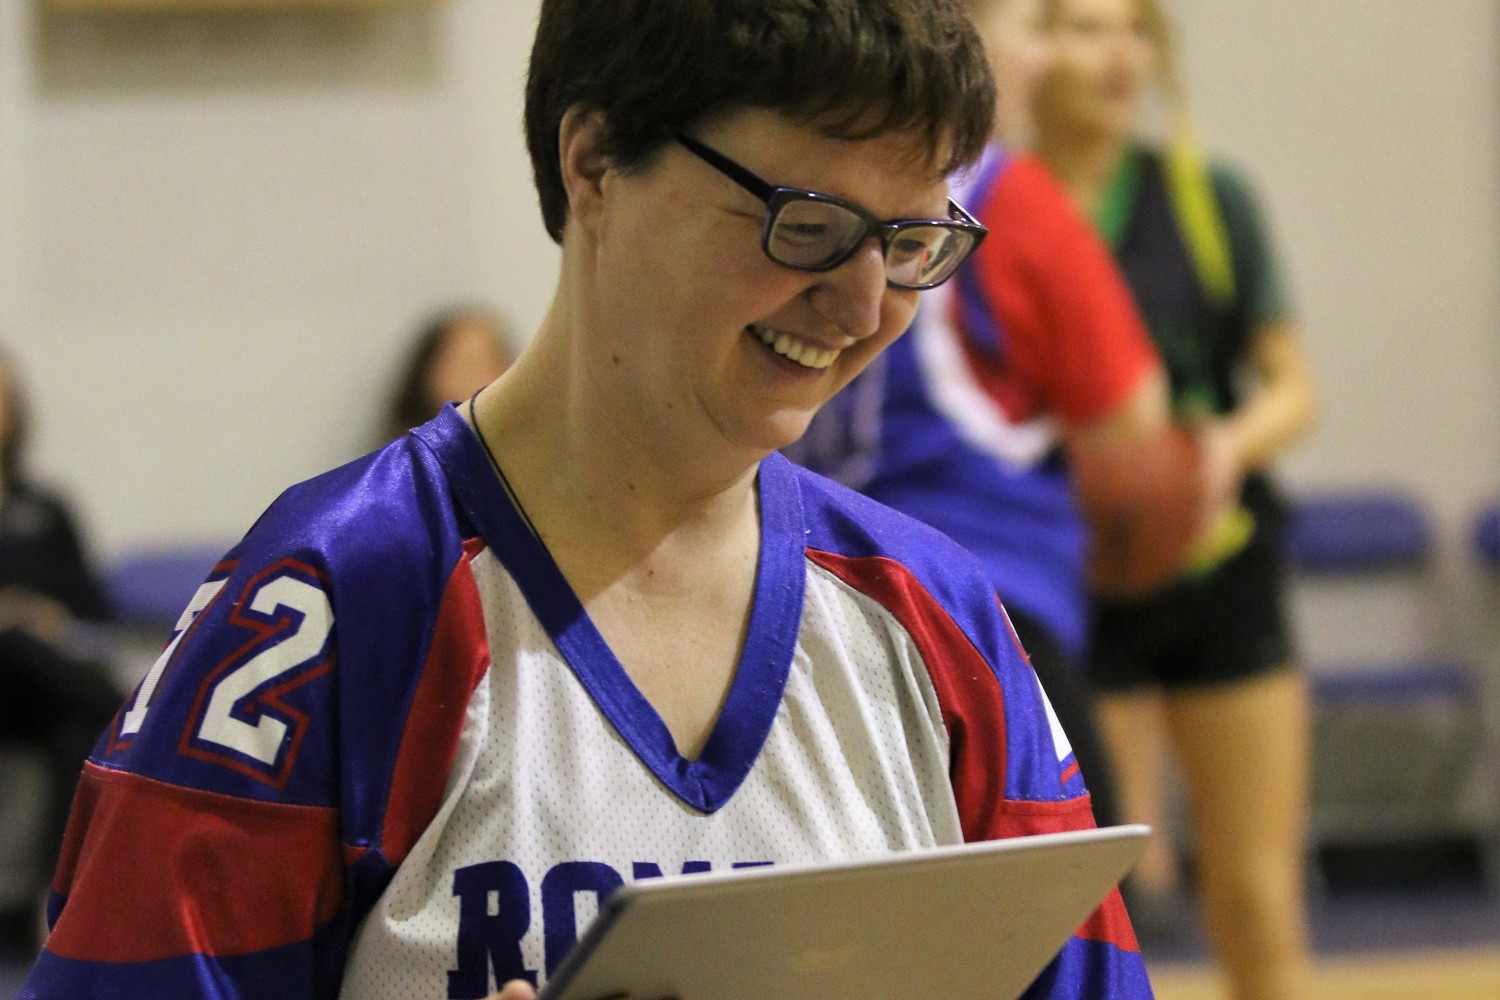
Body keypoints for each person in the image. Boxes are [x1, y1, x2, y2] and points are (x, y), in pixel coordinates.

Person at [21, 3, 1151, 998]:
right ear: (596, 163)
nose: (862, 305)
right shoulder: (328, 607)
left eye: (909, 241)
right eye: (806, 224)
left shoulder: (936, 619)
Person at [788, 0, 1200, 834]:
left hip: (821, 608)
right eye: (1034, 32)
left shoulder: (824, 192)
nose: (1047, 63)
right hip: (988, 616)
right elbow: (1134, 420)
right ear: (964, 39)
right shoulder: (1014, 197)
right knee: (1081, 903)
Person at [1033, 0, 1319, 997]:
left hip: (1215, 567)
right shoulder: (1001, 208)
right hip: (1071, 584)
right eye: (1081, 28)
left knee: (1254, 892)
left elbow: (1295, 389)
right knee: (1105, 899)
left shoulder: (1205, 197)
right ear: (1029, 45)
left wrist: (1217, 449)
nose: (1116, 55)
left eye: (1133, 31)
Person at [0, 348, 118, 956]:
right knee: (17, 641)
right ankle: (130, 707)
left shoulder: (46, 510)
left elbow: (92, 611)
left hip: (44, 686)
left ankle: (59, 902)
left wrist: (44, 616)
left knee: (78, 724)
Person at [386, 305, 513, 442]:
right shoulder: (399, 458)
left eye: (490, 362)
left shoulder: (522, 451)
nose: (476, 378)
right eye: (465, 364)